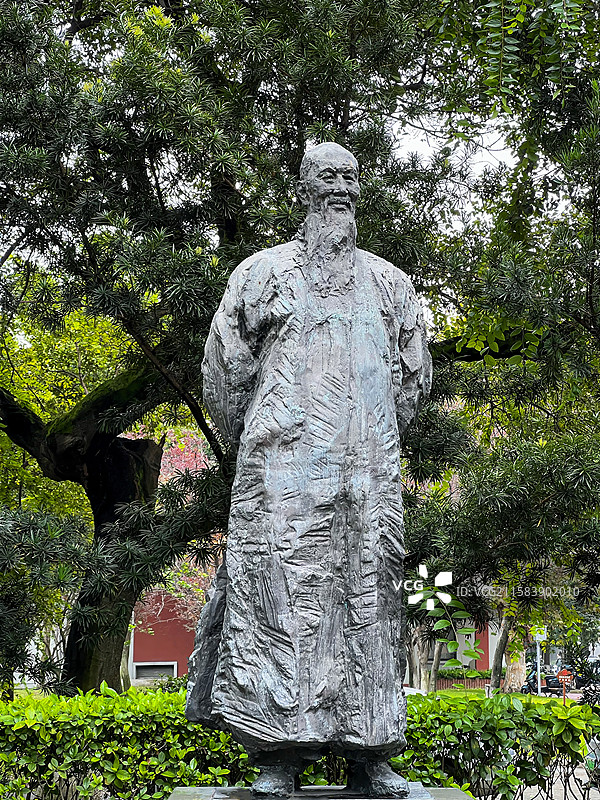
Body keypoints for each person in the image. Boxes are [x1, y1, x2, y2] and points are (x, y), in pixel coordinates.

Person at [186, 142, 432, 798]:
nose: (343, 188)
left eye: (352, 177)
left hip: (366, 483)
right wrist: (270, 439)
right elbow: (223, 371)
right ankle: (278, 758)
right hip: (282, 481)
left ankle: (371, 757)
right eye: (329, 176)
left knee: (368, 609)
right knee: (280, 609)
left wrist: (368, 437)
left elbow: (413, 380)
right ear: (303, 188)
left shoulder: (390, 284)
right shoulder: (260, 273)